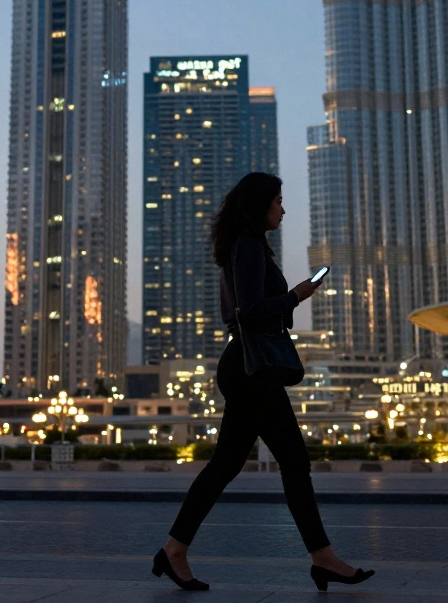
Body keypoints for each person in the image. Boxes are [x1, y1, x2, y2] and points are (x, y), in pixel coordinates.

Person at [152, 172, 374, 593]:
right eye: (277, 201)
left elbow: (249, 309)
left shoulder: (245, 246)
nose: (283, 209)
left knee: (251, 464)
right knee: (281, 463)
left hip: (249, 368)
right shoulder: (249, 246)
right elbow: (250, 311)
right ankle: (320, 557)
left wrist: (287, 299)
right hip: (251, 369)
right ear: (259, 206)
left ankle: (176, 549)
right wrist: (297, 295)